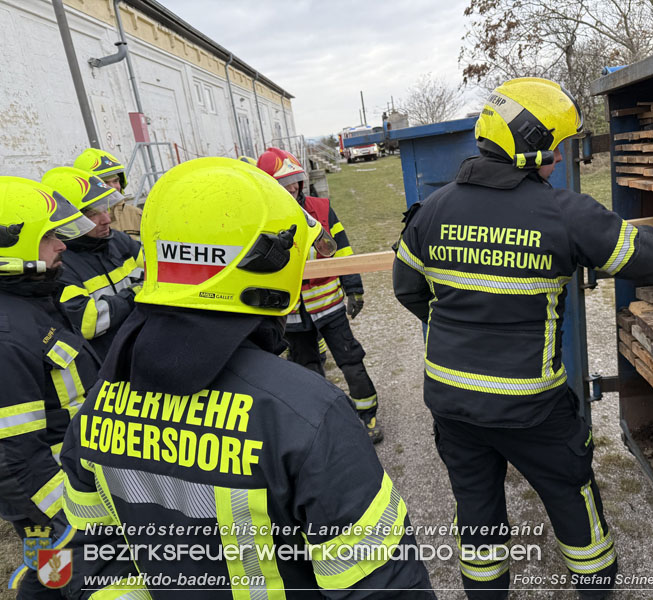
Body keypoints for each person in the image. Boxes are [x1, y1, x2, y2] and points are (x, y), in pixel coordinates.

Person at [392, 77, 653, 600]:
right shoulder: (565, 215)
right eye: (560, 147)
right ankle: (596, 589)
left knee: (475, 506)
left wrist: (456, 336)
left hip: (450, 399)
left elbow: (407, 289)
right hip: (531, 406)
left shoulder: (432, 211)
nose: (563, 159)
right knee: (571, 495)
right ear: (533, 144)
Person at [60, 157, 435, 598]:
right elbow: (384, 588)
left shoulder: (91, 414)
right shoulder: (307, 415)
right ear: (265, 266)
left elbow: (89, 562)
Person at [0, 177, 99, 597]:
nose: (61, 245)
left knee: (49, 576)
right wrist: (71, 513)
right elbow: (10, 457)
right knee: (62, 576)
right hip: (52, 503)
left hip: (68, 488)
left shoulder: (33, 302)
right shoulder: (7, 333)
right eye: (48, 236)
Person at [257, 147, 383, 443]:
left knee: (351, 360)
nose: (292, 188)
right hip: (291, 314)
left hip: (329, 305)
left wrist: (354, 289)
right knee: (307, 369)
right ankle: (319, 424)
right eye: (283, 184)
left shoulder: (321, 209)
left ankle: (368, 416)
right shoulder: (260, 218)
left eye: (296, 181)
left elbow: (343, 250)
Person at [41, 167, 144, 360]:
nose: (106, 219)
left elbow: (158, 273)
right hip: (110, 365)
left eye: (105, 208)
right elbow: (89, 322)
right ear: (65, 219)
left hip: (141, 347)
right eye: (91, 214)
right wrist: (137, 292)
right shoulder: (59, 263)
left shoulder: (119, 240)